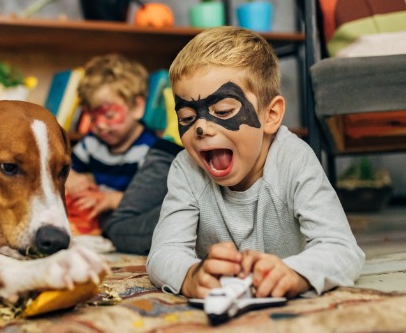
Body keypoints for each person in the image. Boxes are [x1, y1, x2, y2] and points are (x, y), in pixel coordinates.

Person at [146, 27, 365, 300]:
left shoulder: (293, 159)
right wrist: (191, 275)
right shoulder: (186, 168)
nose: (201, 128)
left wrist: (295, 273)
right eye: (188, 117)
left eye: (223, 111)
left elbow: (342, 248)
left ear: (271, 115)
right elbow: (162, 254)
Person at [65, 54, 159, 235]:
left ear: (138, 107)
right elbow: (62, 167)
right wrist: (71, 178)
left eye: (109, 115)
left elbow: (150, 202)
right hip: (92, 227)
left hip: (129, 226)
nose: (99, 125)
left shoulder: (151, 152)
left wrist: (112, 200)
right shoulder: (92, 143)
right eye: (92, 117)